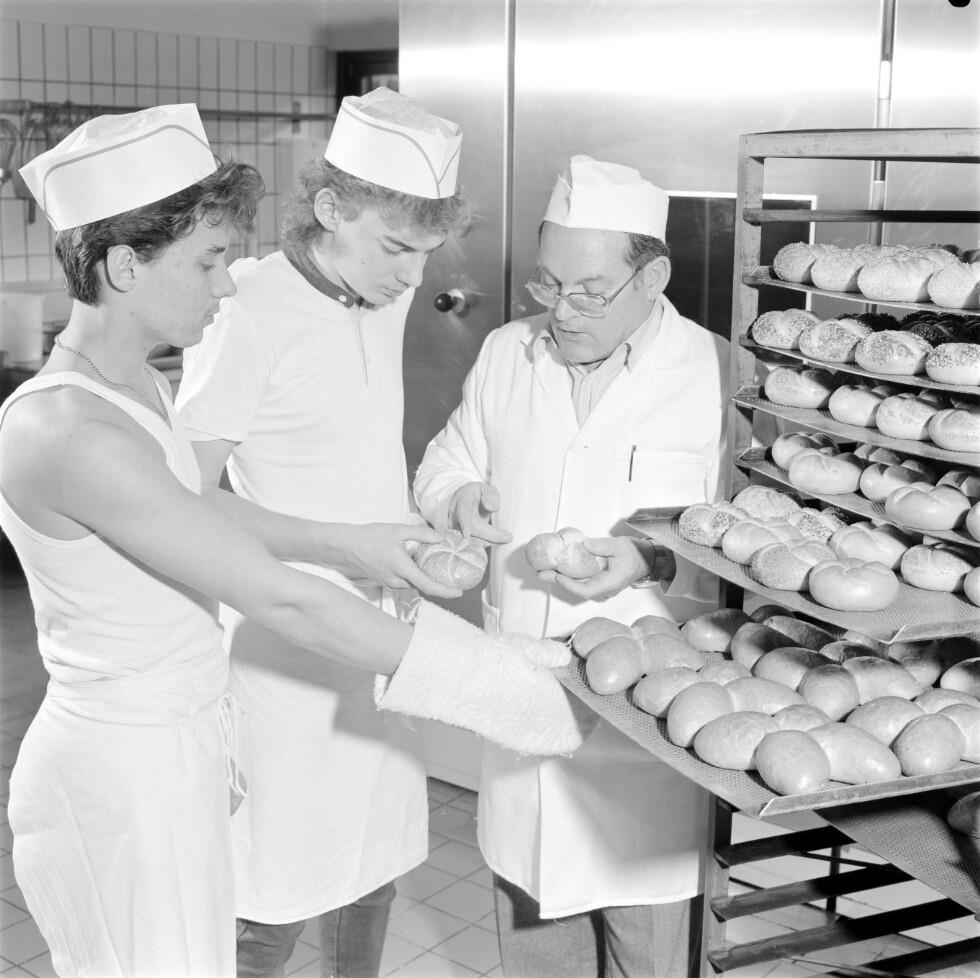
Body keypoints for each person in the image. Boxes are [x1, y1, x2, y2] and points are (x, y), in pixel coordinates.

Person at [0, 104, 585, 978]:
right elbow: (281, 596)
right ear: (125, 265)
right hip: (123, 770)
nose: (226, 285)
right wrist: (487, 679)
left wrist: (363, 548)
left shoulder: (133, 393)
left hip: (179, 742)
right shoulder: (68, 431)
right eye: (209, 261)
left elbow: (191, 513)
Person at [174, 87, 477, 978]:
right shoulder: (245, 312)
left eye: (425, 253)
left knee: (371, 866)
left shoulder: (377, 296)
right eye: (396, 247)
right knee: (274, 888)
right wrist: (346, 545)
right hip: (285, 647)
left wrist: (423, 526)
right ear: (332, 208)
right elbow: (184, 500)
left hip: (380, 633)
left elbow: (351, 457)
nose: (412, 278)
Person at [414, 155, 731, 978]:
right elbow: (445, 461)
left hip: (646, 726)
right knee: (533, 930)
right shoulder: (506, 351)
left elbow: (749, 547)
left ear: (652, 278)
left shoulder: (720, 375)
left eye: (590, 292)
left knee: (649, 945)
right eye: (548, 285)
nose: (560, 311)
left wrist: (650, 558)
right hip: (521, 698)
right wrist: (461, 497)